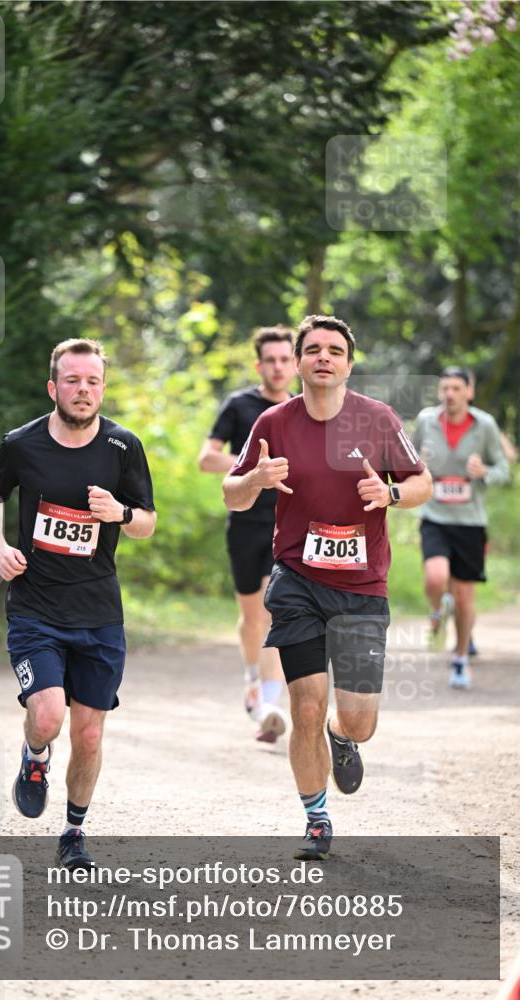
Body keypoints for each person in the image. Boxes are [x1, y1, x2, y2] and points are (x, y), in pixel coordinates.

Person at [222, 315, 432, 860]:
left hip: (362, 588)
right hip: (297, 582)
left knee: (358, 721)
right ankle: (316, 818)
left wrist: (390, 495)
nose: (323, 357)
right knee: (306, 707)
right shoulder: (273, 422)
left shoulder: (378, 419)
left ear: (349, 365)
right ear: (297, 362)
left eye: (335, 351)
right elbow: (231, 492)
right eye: (313, 349)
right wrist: (255, 480)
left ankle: (343, 738)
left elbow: (422, 481)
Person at [0, 338, 156, 870]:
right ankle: (35, 756)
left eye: (93, 381)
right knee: (49, 715)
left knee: (90, 732)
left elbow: (147, 522)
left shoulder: (123, 447)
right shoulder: (22, 444)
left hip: (99, 613)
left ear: (103, 387)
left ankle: (74, 833)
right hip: (36, 608)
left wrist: (121, 514)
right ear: (53, 387)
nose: (83, 390)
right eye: (73, 381)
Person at [199, 326, 295, 743]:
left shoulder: (303, 410)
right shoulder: (239, 406)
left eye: (285, 359)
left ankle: (269, 706)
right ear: (259, 365)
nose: (277, 367)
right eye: (270, 360)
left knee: (275, 611)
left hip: (287, 526)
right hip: (244, 523)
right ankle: (253, 679)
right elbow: (207, 458)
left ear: (295, 364)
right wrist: (253, 468)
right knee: (252, 616)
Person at [413, 365, 509, 688]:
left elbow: (503, 469)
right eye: (445, 388)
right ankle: (437, 611)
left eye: (456, 388)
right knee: (435, 577)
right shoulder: (426, 421)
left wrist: (484, 472)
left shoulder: (485, 425)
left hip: (470, 521)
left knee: (465, 596)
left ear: (470, 391)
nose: (450, 394)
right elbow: (406, 459)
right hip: (435, 515)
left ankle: (460, 657)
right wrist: (418, 466)